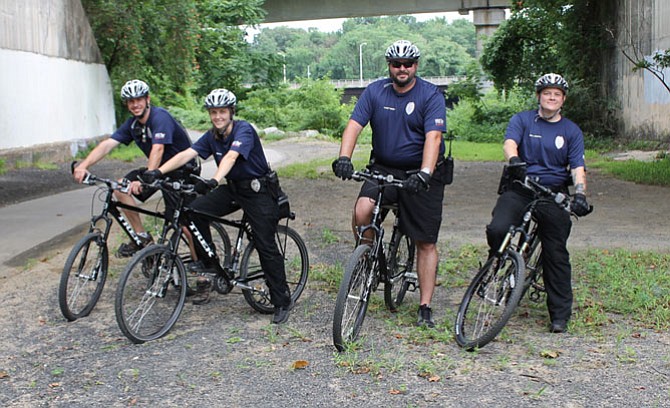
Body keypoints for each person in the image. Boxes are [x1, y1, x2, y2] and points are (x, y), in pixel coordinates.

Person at [142, 88, 294, 324]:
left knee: (265, 244)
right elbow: (187, 154)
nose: (218, 117)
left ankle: (282, 300)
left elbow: (231, 157)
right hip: (234, 188)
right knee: (193, 212)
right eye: (213, 112)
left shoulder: (244, 129)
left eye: (222, 112)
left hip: (258, 190)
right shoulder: (212, 136)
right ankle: (209, 263)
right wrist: (157, 171)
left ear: (231, 112)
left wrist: (213, 180)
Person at [332, 39, 450, 328]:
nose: (402, 68)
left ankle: (424, 305)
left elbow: (433, 138)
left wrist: (424, 173)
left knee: (425, 240)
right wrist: (344, 157)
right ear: (389, 66)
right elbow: (354, 125)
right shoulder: (375, 91)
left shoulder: (429, 94)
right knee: (362, 212)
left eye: (407, 64)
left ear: (415, 66)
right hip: (383, 166)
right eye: (396, 64)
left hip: (421, 171)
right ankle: (367, 259)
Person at [485, 73, 592, 334]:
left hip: (552, 193)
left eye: (557, 94)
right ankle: (496, 260)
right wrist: (514, 161)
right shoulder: (522, 120)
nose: (551, 97)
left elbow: (578, 166)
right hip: (521, 186)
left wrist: (579, 194)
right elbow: (510, 143)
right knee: (498, 228)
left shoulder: (571, 131)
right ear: (538, 97)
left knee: (556, 252)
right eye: (547, 93)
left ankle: (559, 315)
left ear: (563, 100)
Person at [73, 79, 197, 257]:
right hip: (157, 171)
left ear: (147, 99)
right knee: (120, 187)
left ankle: (201, 269)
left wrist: (147, 178)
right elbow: (108, 144)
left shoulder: (159, 117)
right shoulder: (133, 125)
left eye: (139, 99)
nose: (135, 104)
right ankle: (142, 237)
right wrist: (83, 165)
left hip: (183, 171)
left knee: (182, 223)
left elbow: (158, 148)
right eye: (131, 101)